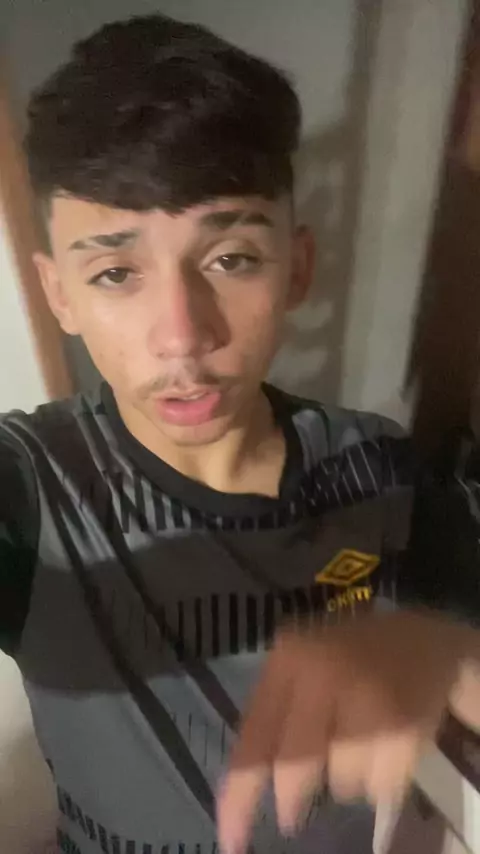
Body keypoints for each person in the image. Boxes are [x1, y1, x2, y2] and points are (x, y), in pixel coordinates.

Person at [0, 12, 479, 854]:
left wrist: (448, 651)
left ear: (297, 268)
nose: (183, 337)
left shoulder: (382, 470)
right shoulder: (36, 488)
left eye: (231, 259)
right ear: (60, 294)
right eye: (116, 272)